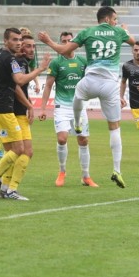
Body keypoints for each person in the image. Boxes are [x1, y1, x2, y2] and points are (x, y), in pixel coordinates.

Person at [38, 6, 135, 188]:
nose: (115, 22)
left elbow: (63, 48)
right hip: (110, 85)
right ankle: (117, 170)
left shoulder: (87, 32)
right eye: (114, 19)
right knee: (114, 128)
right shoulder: (119, 31)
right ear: (107, 19)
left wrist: (48, 41)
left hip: (90, 81)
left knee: (78, 96)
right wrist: (125, 29)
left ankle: (76, 123)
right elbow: (133, 42)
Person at [0, 28, 50, 200]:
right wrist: (41, 69)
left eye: (23, 42)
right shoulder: (13, 59)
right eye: (18, 41)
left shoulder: (0, 54)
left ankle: (6, 188)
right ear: (6, 41)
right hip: (6, 109)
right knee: (20, 150)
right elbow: (18, 83)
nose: (21, 45)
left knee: (17, 151)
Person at [38, 31, 98, 188]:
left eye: (69, 40)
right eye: (64, 41)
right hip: (62, 107)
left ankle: (86, 176)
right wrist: (43, 108)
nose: (67, 43)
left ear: (74, 44)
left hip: (79, 107)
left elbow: (92, 81)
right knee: (62, 138)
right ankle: (62, 171)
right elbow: (49, 86)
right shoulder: (56, 63)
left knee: (83, 140)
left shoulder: (83, 62)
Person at [20, 27, 41, 95]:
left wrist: (37, 84)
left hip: (23, 82)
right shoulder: (12, 56)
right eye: (23, 35)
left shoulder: (31, 55)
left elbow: (33, 70)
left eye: (27, 34)